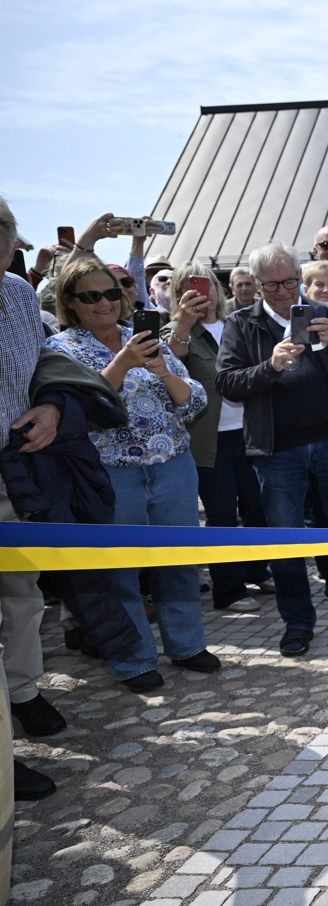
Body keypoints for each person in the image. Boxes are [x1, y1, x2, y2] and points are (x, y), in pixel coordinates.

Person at [45, 257, 216, 693]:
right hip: (110, 475)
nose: (104, 302)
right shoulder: (61, 349)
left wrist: (162, 370)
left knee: (177, 562)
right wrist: (122, 363)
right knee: (119, 570)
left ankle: (187, 645)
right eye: (91, 295)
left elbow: (193, 401)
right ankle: (134, 659)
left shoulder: (145, 336)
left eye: (112, 292)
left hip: (172, 466)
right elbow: (77, 410)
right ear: (70, 301)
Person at [216, 242, 328, 657]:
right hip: (277, 451)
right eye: (274, 285)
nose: (286, 292)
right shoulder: (241, 324)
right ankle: (298, 621)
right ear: (255, 284)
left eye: (291, 281)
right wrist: (270, 366)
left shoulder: (327, 314)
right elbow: (227, 384)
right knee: (286, 541)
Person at [0, 195, 64, 799]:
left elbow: (42, 363)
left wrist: (50, 404)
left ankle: (22, 691)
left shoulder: (18, 293)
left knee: (23, 593)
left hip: (15, 467)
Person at [162, 263, 271, 614]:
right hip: (208, 442)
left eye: (207, 284)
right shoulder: (176, 333)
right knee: (222, 516)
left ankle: (257, 570)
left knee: (258, 509)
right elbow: (167, 363)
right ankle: (228, 589)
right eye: (191, 286)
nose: (202, 292)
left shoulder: (236, 324)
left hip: (250, 433)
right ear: (179, 294)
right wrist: (183, 323)